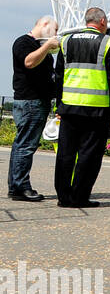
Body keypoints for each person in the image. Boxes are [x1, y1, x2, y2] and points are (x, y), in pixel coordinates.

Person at [53, 7, 110, 208]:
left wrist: (59, 104)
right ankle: (79, 197)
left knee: (66, 153)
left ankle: (63, 197)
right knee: (89, 154)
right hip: (96, 108)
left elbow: (58, 75)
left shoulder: (66, 41)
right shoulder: (108, 42)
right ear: (102, 21)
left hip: (69, 106)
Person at [9, 16, 59, 201]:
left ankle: (16, 185)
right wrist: (46, 47)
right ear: (44, 25)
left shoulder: (36, 45)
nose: (55, 35)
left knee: (21, 145)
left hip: (35, 101)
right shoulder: (24, 42)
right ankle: (21, 186)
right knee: (26, 146)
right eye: (54, 30)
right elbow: (29, 62)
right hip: (30, 101)